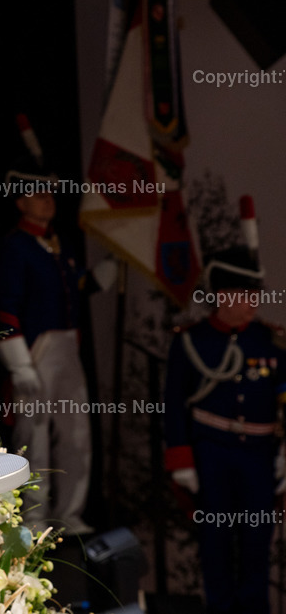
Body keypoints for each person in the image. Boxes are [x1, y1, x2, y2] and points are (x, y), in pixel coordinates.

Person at [0, 157, 111, 535]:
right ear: (20, 201)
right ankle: (35, 517)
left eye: (49, 192)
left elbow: (76, 286)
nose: (47, 199)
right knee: (35, 438)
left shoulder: (58, 245)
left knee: (77, 434)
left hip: (68, 350)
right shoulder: (16, 247)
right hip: (36, 352)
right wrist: (20, 364)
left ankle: (70, 513)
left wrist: (113, 262)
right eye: (37, 193)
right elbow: (5, 307)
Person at [164, 247, 283, 614]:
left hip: (260, 457)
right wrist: (182, 460)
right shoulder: (190, 341)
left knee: (256, 544)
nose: (254, 303)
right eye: (246, 294)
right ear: (222, 296)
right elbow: (173, 405)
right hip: (212, 455)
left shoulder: (271, 341)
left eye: (256, 294)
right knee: (215, 542)